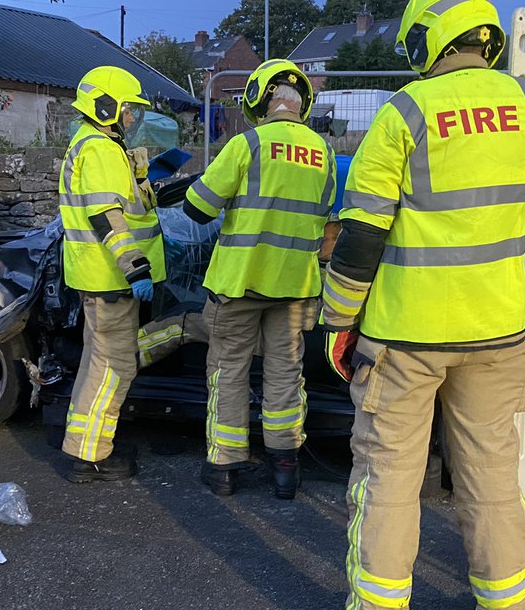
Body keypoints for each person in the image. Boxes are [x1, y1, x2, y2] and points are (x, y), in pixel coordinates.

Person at [320, 0, 525, 610]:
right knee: (489, 477)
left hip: (405, 339)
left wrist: (337, 321)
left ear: (427, 39)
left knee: (389, 479)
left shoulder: (404, 113)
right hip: (495, 335)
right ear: (482, 34)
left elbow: (362, 235)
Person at [183, 59, 336, 499]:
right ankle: (285, 469)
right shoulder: (323, 152)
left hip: (241, 282)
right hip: (295, 287)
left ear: (262, 97)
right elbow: (324, 218)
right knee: (286, 372)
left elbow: (198, 208)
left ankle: (224, 469)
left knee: (229, 371)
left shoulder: (247, 143)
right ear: (301, 102)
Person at [58, 66, 165, 482]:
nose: (132, 118)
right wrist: (135, 266)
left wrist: (140, 175)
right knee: (113, 367)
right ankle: (90, 457)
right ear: (106, 106)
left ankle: (84, 446)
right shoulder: (100, 149)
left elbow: (125, 205)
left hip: (100, 278)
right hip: (111, 278)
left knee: (98, 362)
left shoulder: (96, 145)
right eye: (128, 109)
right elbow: (106, 216)